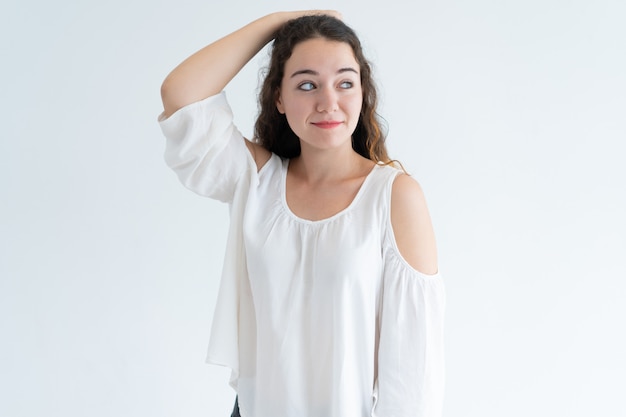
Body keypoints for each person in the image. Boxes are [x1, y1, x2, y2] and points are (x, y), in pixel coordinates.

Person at [158, 10, 445, 417]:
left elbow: (415, 376)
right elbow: (181, 95)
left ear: (362, 92)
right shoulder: (257, 181)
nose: (328, 102)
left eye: (345, 83)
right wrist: (280, 22)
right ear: (279, 97)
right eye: (307, 84)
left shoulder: (394, 196)